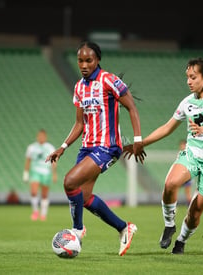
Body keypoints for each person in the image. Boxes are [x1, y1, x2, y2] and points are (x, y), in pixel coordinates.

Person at [124, 56, 203, 254]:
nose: (188, 81)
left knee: (195, 212)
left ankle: (181, 240)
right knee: (170, 184)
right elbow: (167, 128)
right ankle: (169, 225)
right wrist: (140, 143)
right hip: (193, 153)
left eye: (193, 77)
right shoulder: (187, 103)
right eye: (187, 77)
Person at [46, 41, 145, 256]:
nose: (83, 64)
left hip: (108, 146)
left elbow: (132, 107)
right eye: (80, 60)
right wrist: (62, 147)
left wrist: (138, 139)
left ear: (97, 60)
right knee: (84, 196)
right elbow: (80, 124)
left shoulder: (109, 80)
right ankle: (124, 228)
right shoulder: (79, 87)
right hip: (86, 147)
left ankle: (77, 230)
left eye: (88, 60)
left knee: (70, 182)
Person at [23, 129, 57, 221]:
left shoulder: (50, 147)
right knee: (34, 192)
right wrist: (25, 173)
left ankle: (43, 214)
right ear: (37, 137)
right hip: (35, 172)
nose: (41, 138)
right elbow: (28, 160)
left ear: (45, 137)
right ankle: (35, 211)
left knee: (44, 195)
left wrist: (54, 174)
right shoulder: (31, 147)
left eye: (43, 136)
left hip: (46, 172)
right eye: (39, 136)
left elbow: (53, 161)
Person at [178, 139, 193, 204]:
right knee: (174, 191)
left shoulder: (189, 154)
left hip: (187, 175)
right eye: (181, 145)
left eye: (184, 145)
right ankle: (173, 207)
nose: (182, 146)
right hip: (180, 175)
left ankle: (190, 208)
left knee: (188, 193)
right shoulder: (179, 154)